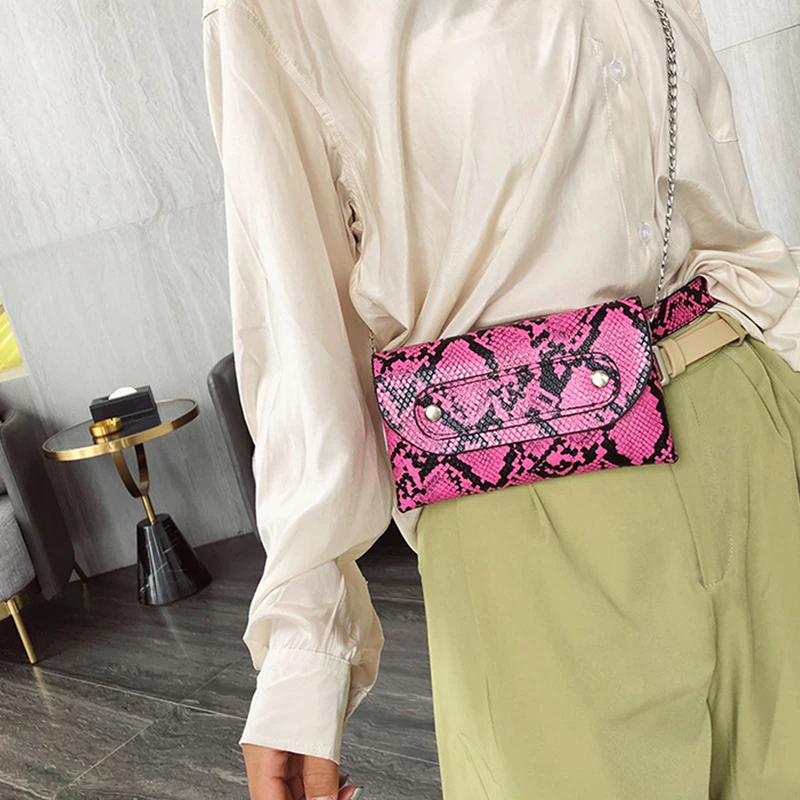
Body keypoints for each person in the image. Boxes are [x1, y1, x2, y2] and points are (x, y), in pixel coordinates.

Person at [201, 0, 800, 797]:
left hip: (749, 429)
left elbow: (708, 199)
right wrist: (304, 656)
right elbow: (297, 326)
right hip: (524, 501)